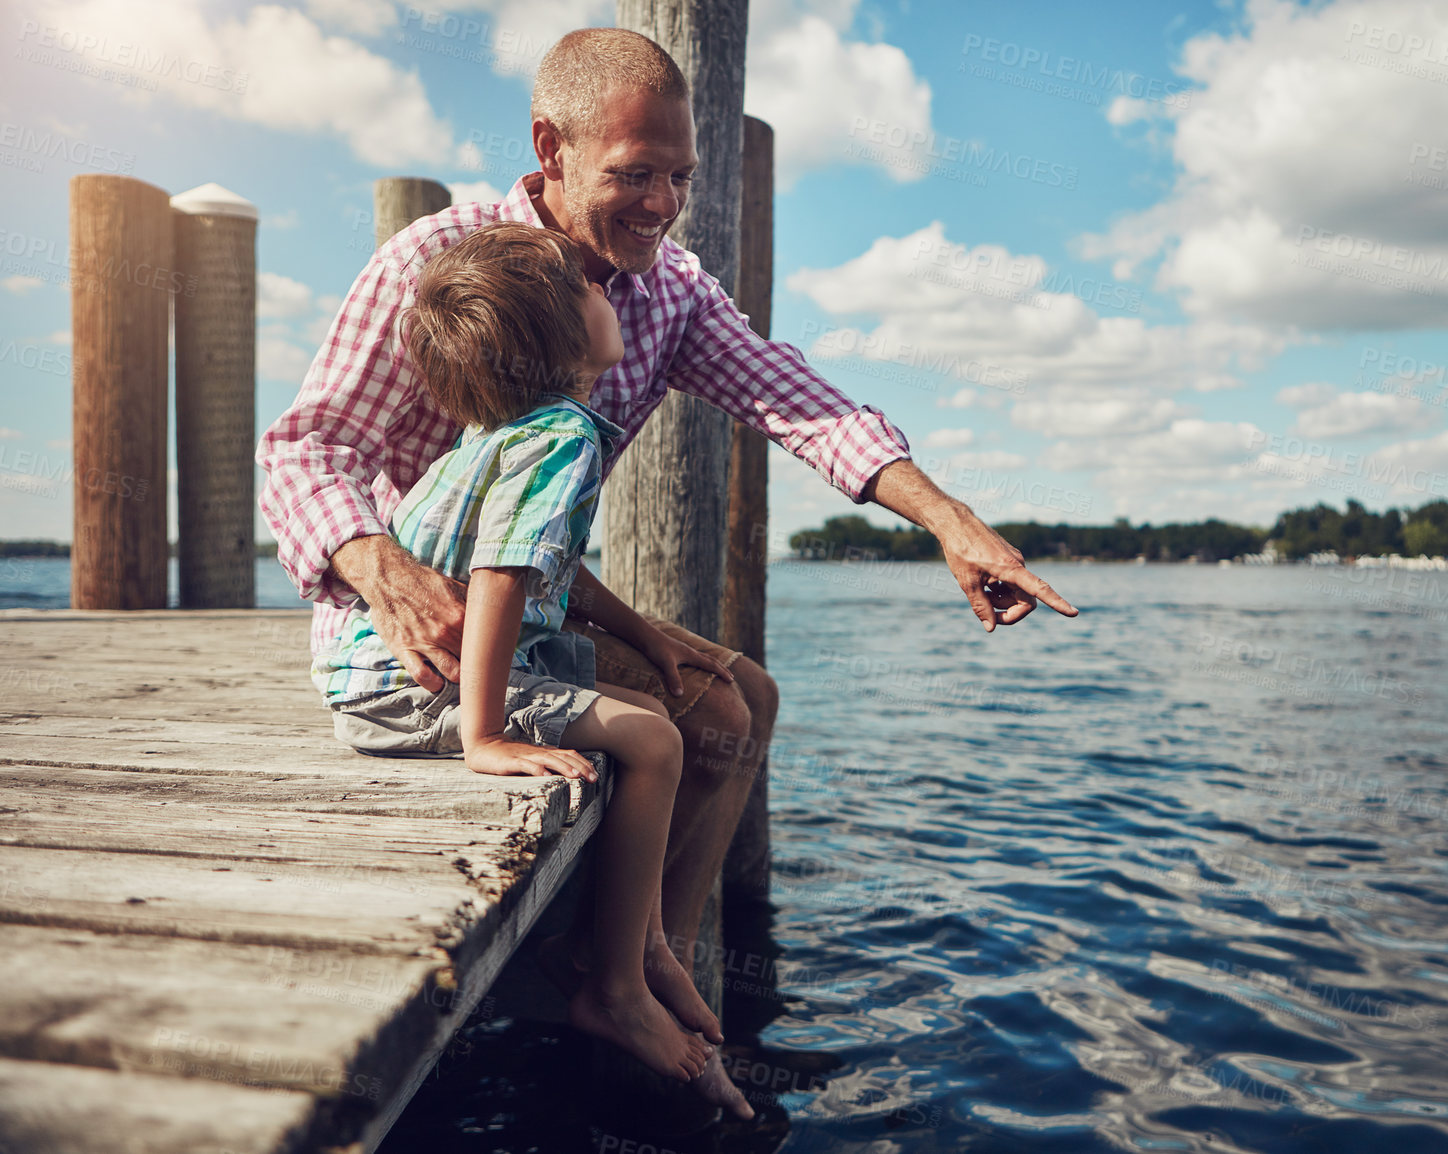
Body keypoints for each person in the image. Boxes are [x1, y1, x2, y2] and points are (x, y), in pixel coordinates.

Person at [257, 24, 1076, 1085]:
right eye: (633, 174)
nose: (660, 204)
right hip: (410, 632)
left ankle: (644, 957)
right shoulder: (436, 264)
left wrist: (951, 521)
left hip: (531, 609)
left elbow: (799, 400)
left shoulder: (666, 289)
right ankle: (622, 994)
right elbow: (306, 447)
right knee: (713, 715)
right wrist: (383, 568)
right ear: (550, 147)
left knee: (749, 694)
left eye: (680, 176)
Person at [314, 221, 743, 1096]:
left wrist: (643, 630)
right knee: (656, 742)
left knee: (653, 716)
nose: (605, 291)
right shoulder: (562, 440)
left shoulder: (507, 431)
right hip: (412, 689)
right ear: (559, 338)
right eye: (586, 289)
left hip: (376, 676)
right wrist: (481, 733)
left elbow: (550, 563)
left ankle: (642, 942)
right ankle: (618, 989)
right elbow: (503, 575)